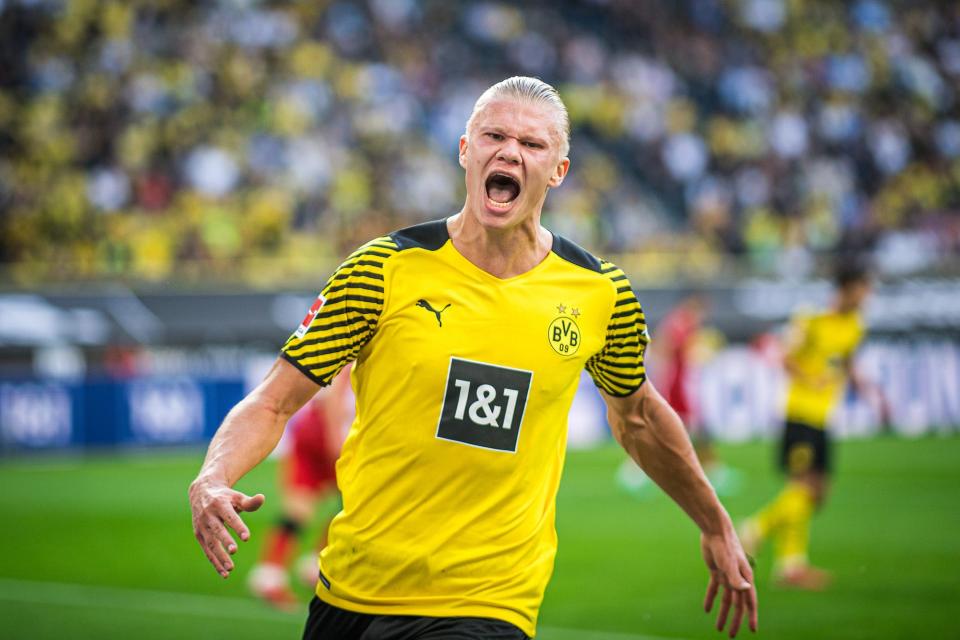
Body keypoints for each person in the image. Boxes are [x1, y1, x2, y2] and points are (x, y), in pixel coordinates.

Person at [189, 76, 758, 639]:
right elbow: (272, 402)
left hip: (488, 604)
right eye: (493, 136)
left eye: (532, 144)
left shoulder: (599, 293)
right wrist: (213, 477)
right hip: (350, 593)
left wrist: (714, 523)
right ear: (466, 151)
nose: (510, 151)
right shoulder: (382, 269)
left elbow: (638, 416)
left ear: (558, 170)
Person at [740, 262, 874, 590]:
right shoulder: (811, 320)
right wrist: (809, 379)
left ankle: (786, 562)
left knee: (817, 492)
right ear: (846, 288)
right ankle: (756, 533)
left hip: (823, 416)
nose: (867, 296)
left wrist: (863, 386)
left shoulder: (855, 326)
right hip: (800, 414)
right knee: (804, 486)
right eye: (862, 289)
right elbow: (785, 357)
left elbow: (847, 358)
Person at [247, 365, 352, 610]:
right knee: (344, 504)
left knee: (348, 504)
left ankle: (300, 567)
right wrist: (335, 441)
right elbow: (336, 397)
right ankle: (276, 574)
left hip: (321, 432)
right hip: (325, 435)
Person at [617, 293, 741, 497]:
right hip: (677, 388)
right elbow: (666, 349)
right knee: (672, 430)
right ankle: (634, 470)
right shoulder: (681, 324)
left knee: (689, 429)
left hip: (680, 386)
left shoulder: (680, 323)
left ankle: (711, 469)